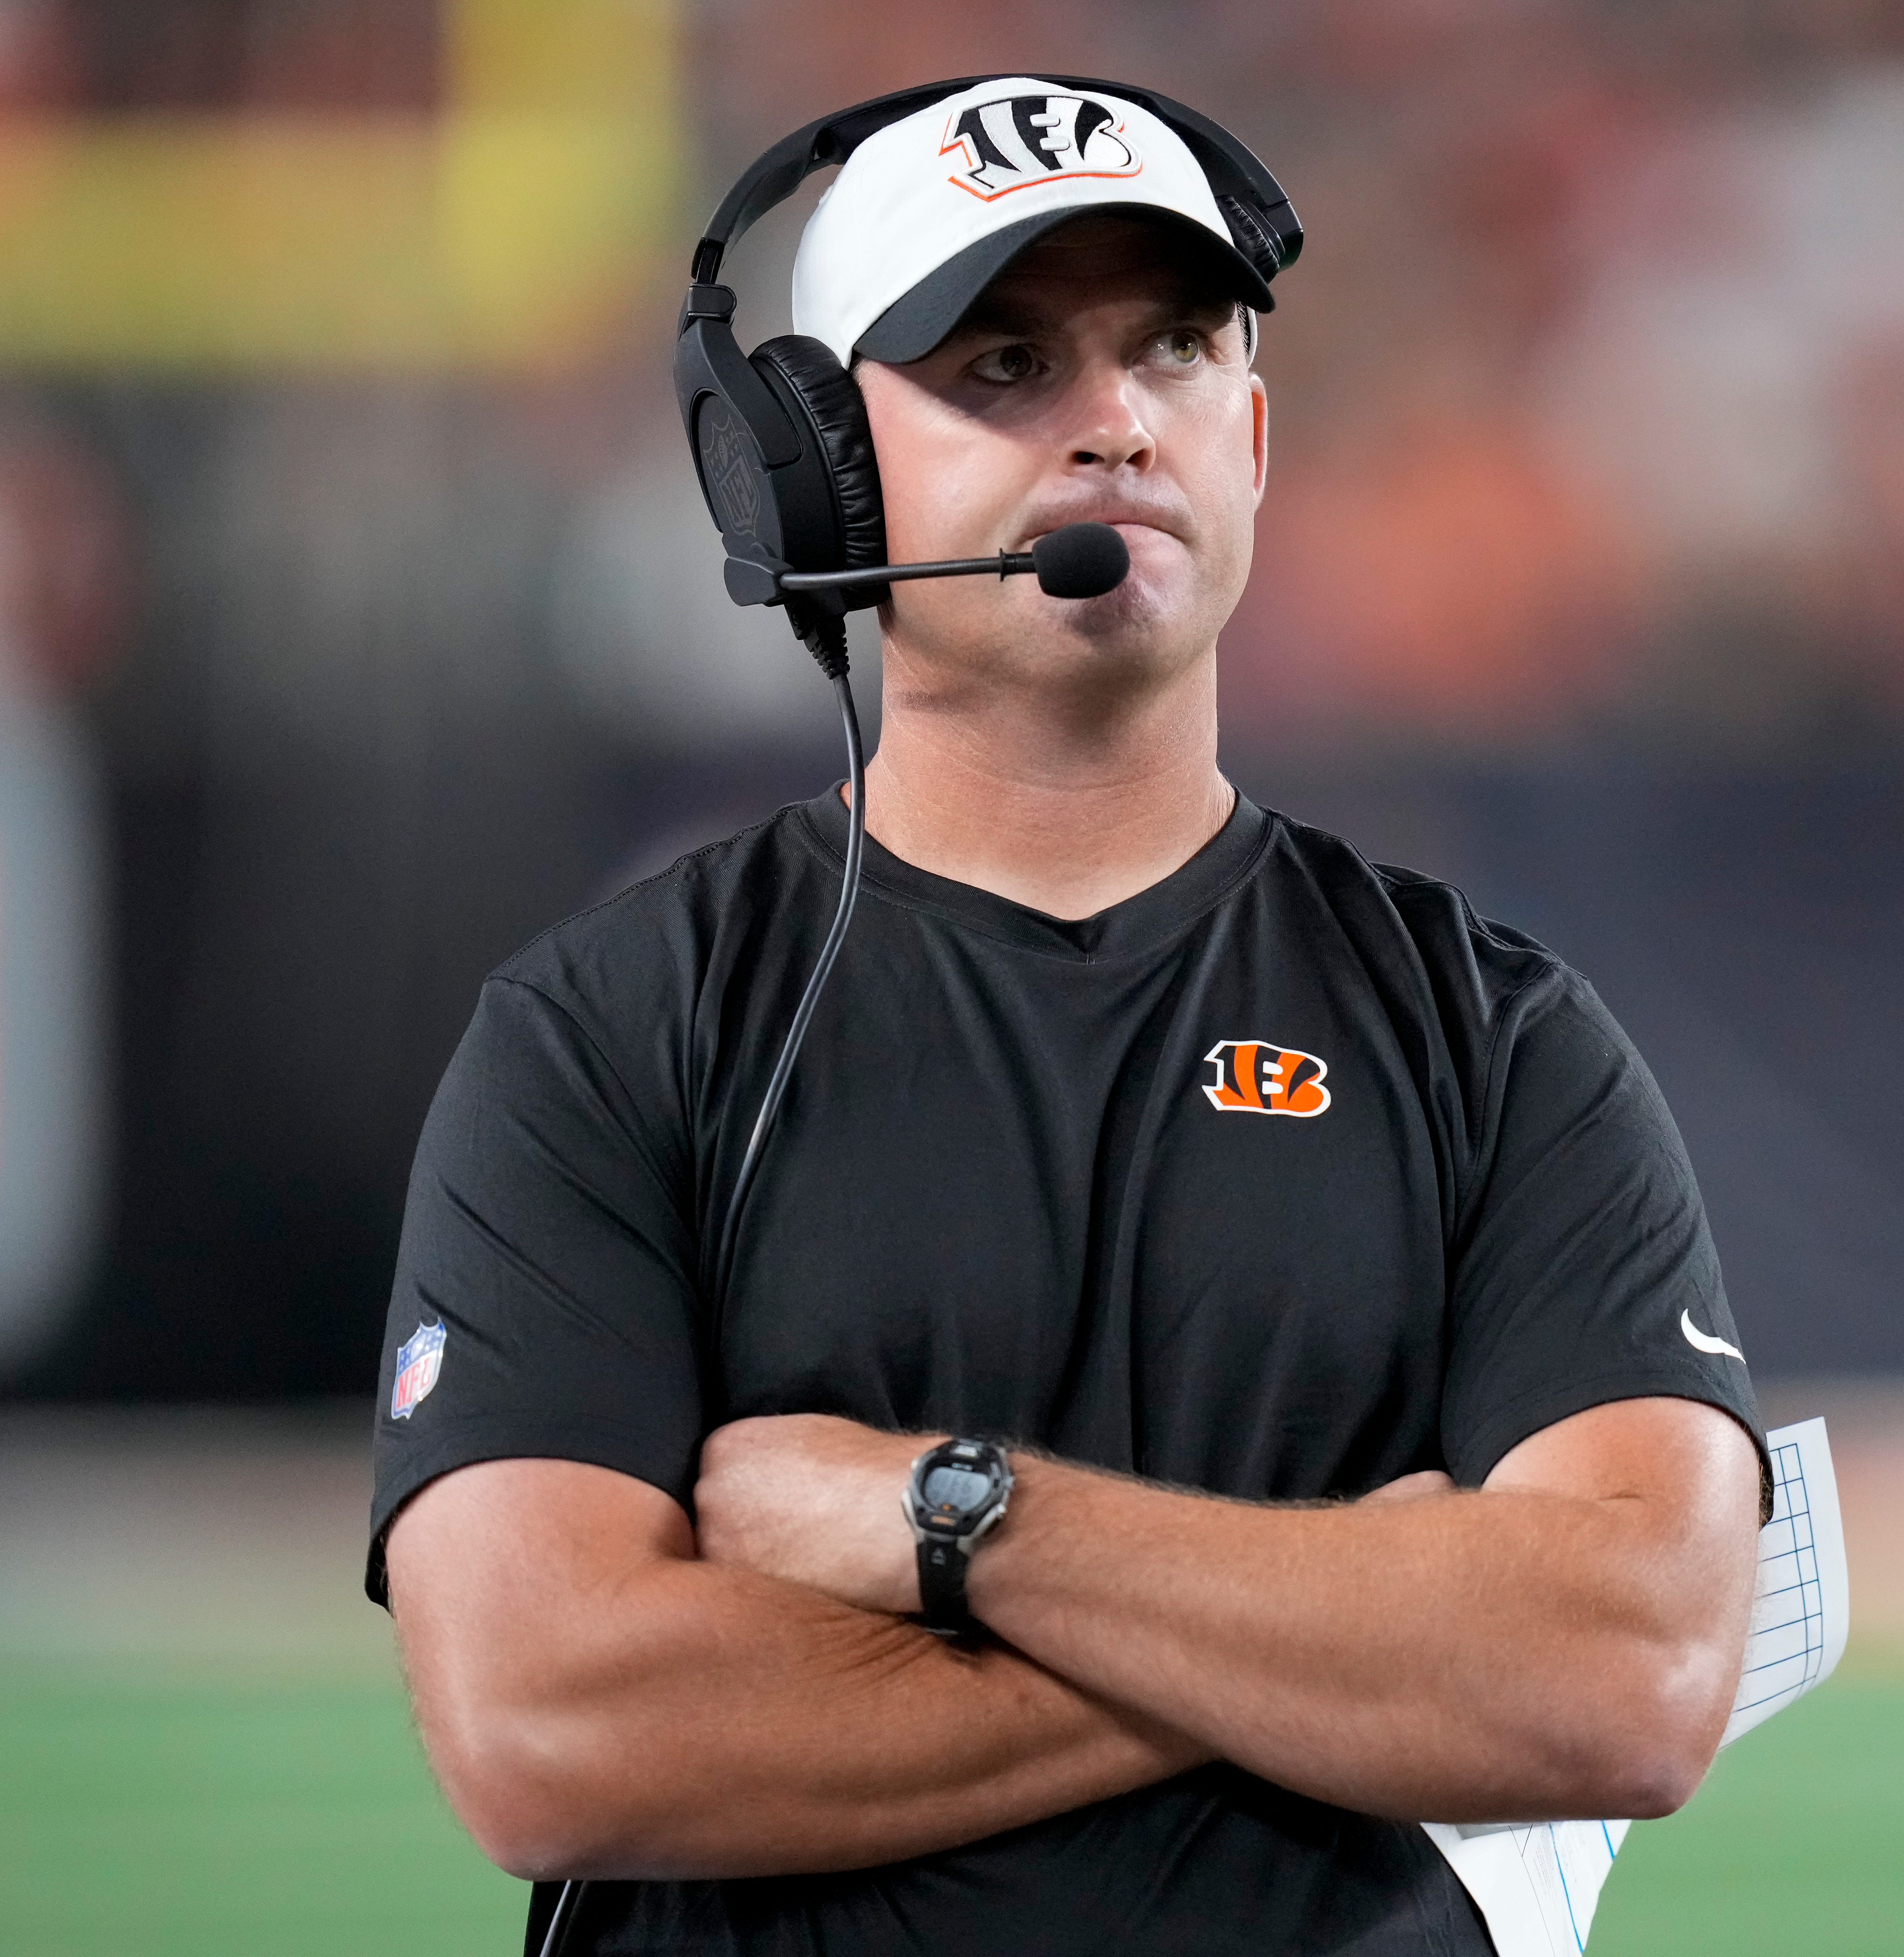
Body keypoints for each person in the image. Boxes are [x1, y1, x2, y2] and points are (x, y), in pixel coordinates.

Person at [365, 77, 1766, 1957]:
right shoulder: (608, 1034)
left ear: (1254, 438)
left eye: (1176, 349)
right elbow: (550, 1731)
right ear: (819, 481)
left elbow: (1631, 1679)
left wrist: (956, 1521)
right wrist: (1352, 1624)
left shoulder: (1500, 1035)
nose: (1116, 423)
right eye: (1007, 364)